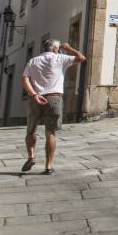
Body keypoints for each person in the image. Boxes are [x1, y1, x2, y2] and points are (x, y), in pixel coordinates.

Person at [21, 39, 85, 174]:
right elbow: (81, 57)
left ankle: (31, 156)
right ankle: (48, 166)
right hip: (54, 98)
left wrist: (33, 95)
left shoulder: (33, 60)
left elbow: (25, 79)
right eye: (59, 48)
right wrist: (68, 48)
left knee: (31, 130)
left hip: (36, 98)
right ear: (55, 48)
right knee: (50, 132)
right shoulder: (60, 58)